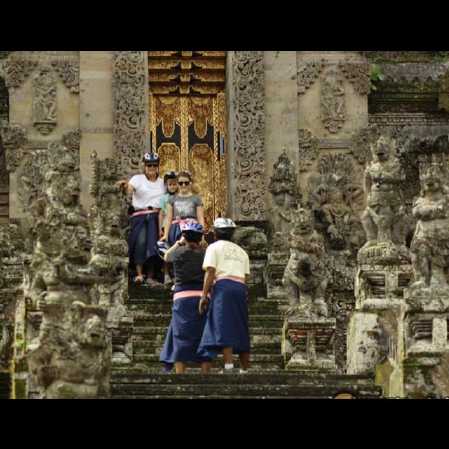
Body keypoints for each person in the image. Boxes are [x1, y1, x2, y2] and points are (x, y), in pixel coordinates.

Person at [197, 218, 251, 374]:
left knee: (223, 324)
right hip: (240, 287)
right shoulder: (242, 252)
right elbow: (246, 277)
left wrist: (203, 295)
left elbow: (211, 272)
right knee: (241, 325)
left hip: (223, 286)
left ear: (215, 233)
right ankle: (245, 368)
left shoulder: (213, 248)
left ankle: (228, 366)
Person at [160, 222, 212, 374]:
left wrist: (178, 243)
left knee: (180, 336)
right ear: (200, 237)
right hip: (202, 296)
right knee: (204, 337)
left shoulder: (178, 252)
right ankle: (205, 378)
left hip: (182, 298)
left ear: (184, 236)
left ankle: (180, 376)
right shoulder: (206, 253)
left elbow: (166, 256)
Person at [117, 153, 165, 285]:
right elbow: (129, 188)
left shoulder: (162, 183)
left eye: (154, 165)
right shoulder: (137, 179)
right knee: (141, 242)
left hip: (157, 217)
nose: (151, 167)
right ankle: (139, 274)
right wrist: (125, 186)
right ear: (144, 166)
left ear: (158, 166)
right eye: (149, 165)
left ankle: (151, 275)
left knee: (154, 245)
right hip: (140, 216)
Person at [162, 171, 205, 247]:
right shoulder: (172, 199)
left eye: (186, 183)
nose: (183, 185)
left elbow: (200, 218)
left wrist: (202, 235)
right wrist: (165, 235)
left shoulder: (196, 198)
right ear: (177, 184)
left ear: (190, 183)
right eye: (181, 183)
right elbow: (168, 219)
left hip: (192, 229)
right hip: (176, 229)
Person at [158, 171, 179, 285]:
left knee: (176, 249)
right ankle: (166, 274)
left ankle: (176, 274)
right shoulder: (164, 198)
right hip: (166, 226)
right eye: (170, 184)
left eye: (175, 184)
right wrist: (160, 229)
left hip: (177, 225)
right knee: (166, 249)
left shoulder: (180, 197)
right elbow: (161, 214)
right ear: (166, 185)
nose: (172, 186)